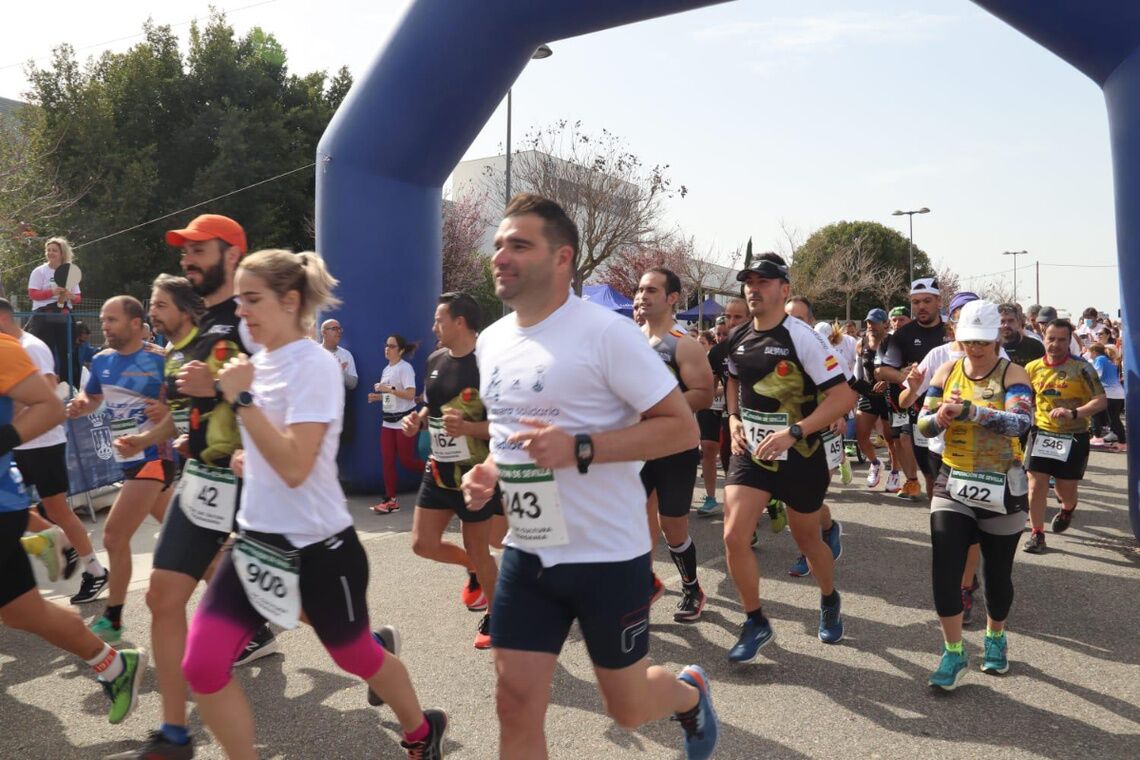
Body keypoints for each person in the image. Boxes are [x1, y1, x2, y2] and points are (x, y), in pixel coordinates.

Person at [461, 193, 718, 760]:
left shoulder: (607, 334)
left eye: (519, 245)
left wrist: (580, 447)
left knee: (627, 708)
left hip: (606, 555)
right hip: (530, 553)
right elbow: (511, 436)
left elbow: (678, 429)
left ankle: (687, 694)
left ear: (562, 259)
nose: (501, 255)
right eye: (500, 244)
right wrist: (487, 469)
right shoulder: (494, 340)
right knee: (515, 703)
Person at [178, 248, 446, 759]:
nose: (241, 312)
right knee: (202, 666)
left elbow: (298, 465)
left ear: (290, 300)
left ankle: (420, 730)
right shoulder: (254, 366)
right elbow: (268, 444)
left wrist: (242, 403)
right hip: (255, 543)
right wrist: (243, 455)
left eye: (252, 299)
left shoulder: (316, 366)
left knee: (353, 656)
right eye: (239, 301)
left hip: (320, 548)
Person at [0, 332, 148, 724]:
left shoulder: (5, 348)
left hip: (3, 501)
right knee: (21, 611)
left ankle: (50, 539)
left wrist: (3, 438)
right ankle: (115, 665)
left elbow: (50, 405)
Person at [722, 255, 856, 660]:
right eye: (748, 281)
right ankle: (755, 621)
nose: (753, 288)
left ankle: (829, 598)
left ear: (784, 290)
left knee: (808, 539)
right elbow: (732, 378)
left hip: (801, 454)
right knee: (732, 536)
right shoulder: (739, 334)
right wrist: (732, 420)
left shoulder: (802, 337)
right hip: (753, 455)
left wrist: (795, 431)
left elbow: (844, 397)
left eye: (763, 282)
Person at [915, 299, 1033, 690]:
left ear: (997, 336)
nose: (976, 348)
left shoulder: (1012, 373)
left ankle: (995, 636)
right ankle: (953, 653)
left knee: (996, 575)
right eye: (968, 341)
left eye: (983, 341)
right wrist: (940, 418)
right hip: (954, 480)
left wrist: (973, 412)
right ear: (957, 336)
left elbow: (1020, 424)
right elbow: (924, 426)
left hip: (1003, 483)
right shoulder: (948, 369)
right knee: (944, 569)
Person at [66, 296, 175, 643]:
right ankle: (254, 620)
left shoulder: (159, 360)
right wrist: (81, 406)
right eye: (103, 320)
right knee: (188, 539)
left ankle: (113, 619)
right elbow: (93, 399)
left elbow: (186, 404)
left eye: (112, 320)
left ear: (134, 323)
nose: (105, 326)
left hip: (154, 457)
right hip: (129, 461)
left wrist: (167, 410)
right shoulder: (101, 361)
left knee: (113, 536)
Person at [899, 292, 1011, 626]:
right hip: (941, 454)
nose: (974, 344)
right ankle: (962, 582)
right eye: (961, 317)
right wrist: (917, 390)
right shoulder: (939, 357)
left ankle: (966, 585)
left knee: (974, 531)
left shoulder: (998, 357)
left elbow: (1015, 414)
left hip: (989, 462)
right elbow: (908, 403)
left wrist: (972, 412)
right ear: (954, 323)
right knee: (952, 527)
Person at [400, 291, 501, 649]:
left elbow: (506, 426)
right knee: (422, 544)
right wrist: (419, 421)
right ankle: (473, 569)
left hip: (476, 475)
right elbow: (432, 404)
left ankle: (497, 614)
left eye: (439, 320)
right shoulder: (435, 359)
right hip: (439, 469)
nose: (433, 326)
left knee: (483, 546)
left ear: (460, 322)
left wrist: (470, 429)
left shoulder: (489, 364)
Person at [0, 298, 108, 602]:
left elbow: (47, 392)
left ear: (4, 320)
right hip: (20, 443)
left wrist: (8, 425)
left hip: (42, 442)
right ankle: (51, 538)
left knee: (59, 509)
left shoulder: (31, 347)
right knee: (13, 502)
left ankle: (95, 570)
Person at [634, 267, 714, 622]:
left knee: (673, 525)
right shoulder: (631, 340)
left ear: (672, 298)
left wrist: (659, 412)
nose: (642, 296)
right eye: (639, 290)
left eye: (651, 290)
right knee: (634, 521)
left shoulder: (684, 344)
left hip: (675, 448)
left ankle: (692, 587)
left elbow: (703, 394)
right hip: (635, 449)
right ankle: (642, 584)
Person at [1023, 319, 1107, 552]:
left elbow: (1101, 400)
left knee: (1065, 490)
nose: (1055, 344)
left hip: (1074, 435)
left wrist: (1074, 413)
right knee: (1036, 483)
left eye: (1062, 340)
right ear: (1044, 337)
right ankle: (1037, 534)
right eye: (1051, 339)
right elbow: (1023, 398)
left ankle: (1068, 508)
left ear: (1070, 341)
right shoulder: (1032, 368)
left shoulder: (1082, 368)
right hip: (1042, 432)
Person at [781, 296, 849, 578]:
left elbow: (849, 390)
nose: (792, 324)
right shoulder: (772, 350)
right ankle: (827, 529)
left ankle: (807, 550)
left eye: (799, 318)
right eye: (787, 317)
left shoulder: (824, 350)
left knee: (807, 498)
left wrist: (840, 414)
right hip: (786, 435)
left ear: (810, 322)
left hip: (822, 434)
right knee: (795, 499)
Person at [879, 278, 949, 500]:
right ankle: (939, 523)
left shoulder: (952, 330)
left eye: (927, 301)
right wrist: (904, 376)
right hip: (921, 411)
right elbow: (881, 371)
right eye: (916, 302)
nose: (921, 307)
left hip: (956, 407)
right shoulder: (903, 334)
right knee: (930, 474)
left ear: (938, 301)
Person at [369, 334, 424, 514]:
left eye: (391, 346)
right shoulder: (387, 369)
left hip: (404, 420)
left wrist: (387, 389)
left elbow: (410, 394)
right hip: (388, 421)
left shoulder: (405, 368)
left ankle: (438, 470)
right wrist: (377, 397)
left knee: (407, 461)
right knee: (387, 460)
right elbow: (390, 396)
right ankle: (391, 500)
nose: (387, 348)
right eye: (386, 345)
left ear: (400, 350)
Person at [852, 308, 900, 490]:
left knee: (890, 438)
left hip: (889, 394)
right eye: (868, 322)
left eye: (874, 322)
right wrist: (857, 389)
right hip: (869, 393)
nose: (870, 326)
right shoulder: (861, 342)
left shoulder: (892, 342)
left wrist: (888, 382)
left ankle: (895, 472)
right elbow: (857, 371)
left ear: (885, 324)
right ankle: (875, 463)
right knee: (861, 435)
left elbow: (900, 368)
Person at [25, 237, 82, 379]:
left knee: (67, 352)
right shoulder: (39, 271)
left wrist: (70, 296)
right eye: (48, 250)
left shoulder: (70, 271)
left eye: (54, 250)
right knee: (44, 350)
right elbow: (32, 294)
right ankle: (43, 384)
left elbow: (78, 298)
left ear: (62, 253)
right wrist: (52, 292)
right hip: (43, 316)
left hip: (64, 315)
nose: (50, 253)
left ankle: (69, 385)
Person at [695, 330, 724, 514]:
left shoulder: (720, 356)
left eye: (702, 343)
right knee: (707, 449)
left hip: (728, 410)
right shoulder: (699, 361)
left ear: (710, 344)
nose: (699, 346)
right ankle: (711, 498)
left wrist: (719, 390)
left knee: (731, 456)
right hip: (707, 409)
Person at [320, 318, 358, 452]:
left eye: (339, 329)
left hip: (339, 415)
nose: (338, 332)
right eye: (334, 329)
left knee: (337, 451)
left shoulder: (346, 355)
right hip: (318, 414)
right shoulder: (314, 354)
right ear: (323, 332)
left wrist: (339, 372)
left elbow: (353, 384)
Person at [1088, 343, 1126, 450]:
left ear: (1094, 352)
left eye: (1089, 352)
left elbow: (1096, 375)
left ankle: (1122, 442)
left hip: (1110, 393)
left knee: (1111, 418)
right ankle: (1115, 437)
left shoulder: (1100, 359)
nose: (1088, 354)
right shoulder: (1107, 359)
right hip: (1117, 393)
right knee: (1113, 418)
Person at [998, 303, 1045, 367]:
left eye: (1011, 320)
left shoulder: (1035, 346)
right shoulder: (991, 348)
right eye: (1002, 321)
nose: (1006, 325)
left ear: (1018, 322)